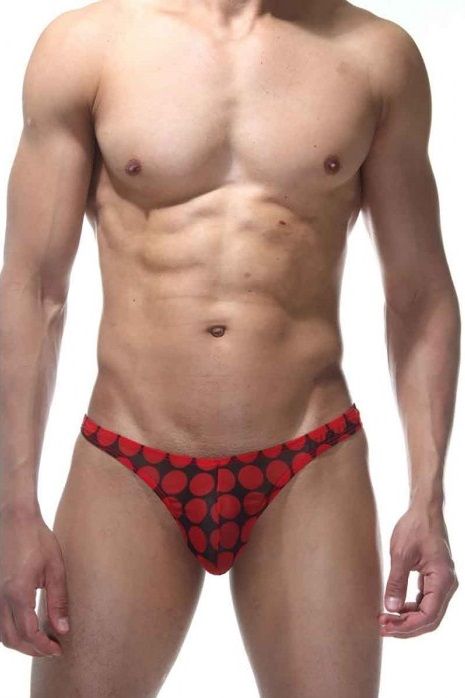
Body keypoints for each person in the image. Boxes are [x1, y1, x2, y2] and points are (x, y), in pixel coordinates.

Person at [0, 1, 460, 696]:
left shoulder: (374, 55)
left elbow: (419, 293)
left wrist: (428, 499)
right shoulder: (87, 46)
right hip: (128, 459)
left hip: (309, 460)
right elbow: (33, 289)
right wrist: (14, 507)